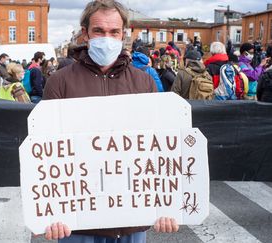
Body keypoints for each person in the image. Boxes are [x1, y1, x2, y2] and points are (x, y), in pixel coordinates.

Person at [42, 0, 178, 241]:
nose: (107, 37)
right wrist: (48, 212)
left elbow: (158, 147)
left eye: (114, 31)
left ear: (124, 34)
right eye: (99, 31)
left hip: (131, 220)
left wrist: (167, 205)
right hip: (78, 223)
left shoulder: (143, 81)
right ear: (85, 33)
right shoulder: (60, 82)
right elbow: (46, 150)